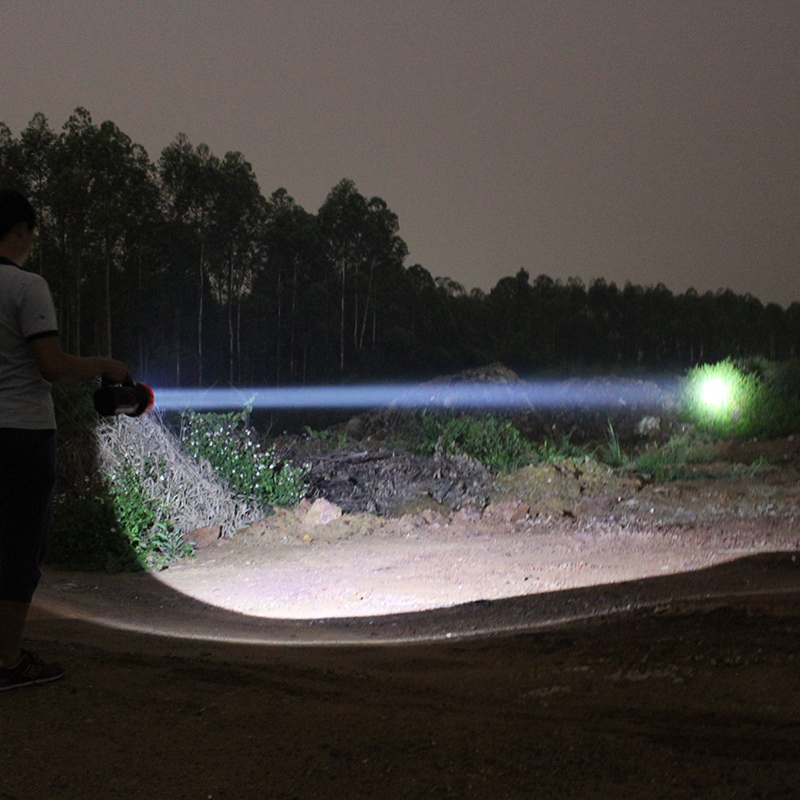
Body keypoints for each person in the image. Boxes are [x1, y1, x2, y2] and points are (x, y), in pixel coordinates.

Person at [0, 188, 130, 691]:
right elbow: (51, 366)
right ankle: (7, 661)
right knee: (19, 548)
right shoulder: (26, 286)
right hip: (22, 435)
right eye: (29, 232)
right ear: (21, 231)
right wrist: (104, 365)